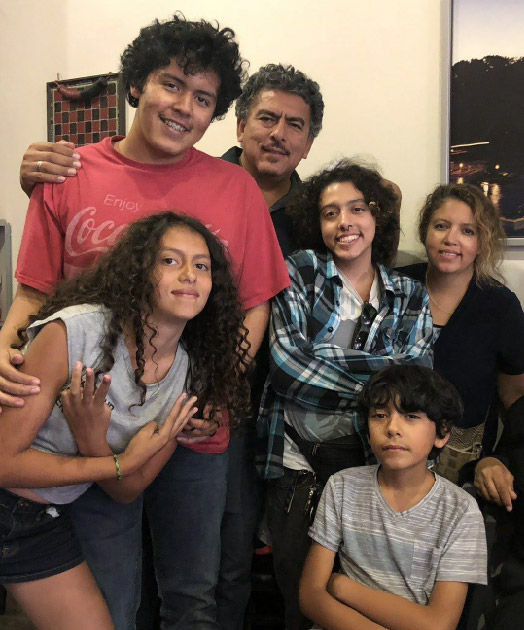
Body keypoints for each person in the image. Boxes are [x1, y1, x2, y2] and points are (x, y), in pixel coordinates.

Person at [2, 14, 289, 630]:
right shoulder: (67, 172)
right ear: (135, 85)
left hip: (193, 425)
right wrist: (4, 350)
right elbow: (32, 297)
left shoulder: (235, 188)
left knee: (193, 592)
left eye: (204, 98)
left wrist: (218, 387)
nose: (184, 107)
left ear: (216, 114)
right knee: (111, 595)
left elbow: (254, 303)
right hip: (90, 423)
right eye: (171, 84)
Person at [0, 211, 250, 629]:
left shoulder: (190, 374)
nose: (189, 274)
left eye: (201, 266)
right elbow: (4, 462)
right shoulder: (76, 330)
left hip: (43, 519)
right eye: (170, 261)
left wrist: (93, 440)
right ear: (138, 272)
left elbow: (127, 491)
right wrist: (117, 461)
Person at [258, 159, 434, 629]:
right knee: (299, 597)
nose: (344, 223)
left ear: (378, 217)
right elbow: (286, 370)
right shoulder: (298, 272)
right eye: (330, 213)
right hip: (299, 468)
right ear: (317, 225)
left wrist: (323, 359)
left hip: (373, 467)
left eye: (356, 209)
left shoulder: (411, 295)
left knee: (368, 596)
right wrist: (382, 381)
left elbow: (416, 387)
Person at [300, 364, 487, 630]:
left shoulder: (460, 510)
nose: (392, 428)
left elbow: (438, 624)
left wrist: (342, 586)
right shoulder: (342, 486)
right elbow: (310, 597)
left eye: (410, 416)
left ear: (442, 433)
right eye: (379, 415)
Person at [398, 183, 524, 486]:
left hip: (460, 470)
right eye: (441, 226)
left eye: (468, 231)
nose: (450, 239)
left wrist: (502, 458)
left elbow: (516, 396)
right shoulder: (395, 288)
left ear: (482, 242)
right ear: (426, 231)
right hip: (389, 458)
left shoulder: (500, 306)